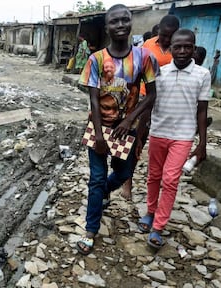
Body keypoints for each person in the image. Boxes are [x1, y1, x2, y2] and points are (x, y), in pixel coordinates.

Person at [76, 4, 159, 255]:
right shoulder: (96, 59)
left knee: (123, 173)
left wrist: (128, 120)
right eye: (115, 21)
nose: (120, 24)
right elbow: (93, 99)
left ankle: (104, 193)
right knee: (96, 179)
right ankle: (91, 230)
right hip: (99, 127)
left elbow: (151, 95)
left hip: (127, 130)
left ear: (131, 23)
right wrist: (99, 135)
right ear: (107, 27)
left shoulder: (144, 57)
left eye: (125, 20)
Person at [138, 29, 211, 249]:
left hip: (183, 136)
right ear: (170, 49)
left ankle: (158, 226)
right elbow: (149, 105)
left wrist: (202, 143)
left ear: (193, 48)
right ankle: (150, 212)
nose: (182, 51)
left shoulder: (202, 74)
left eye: (187, 47)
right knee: (154, 176)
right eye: (177, 47)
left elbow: (202, 111)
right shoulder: (159, 72)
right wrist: (140, 134)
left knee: (170, 181)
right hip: (159, 132)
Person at [121, 15, 180, 200]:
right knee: (136, 138)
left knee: (158, 142)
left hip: (167, 103)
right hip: (145, 99)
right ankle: (127, 180)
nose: (165, 40)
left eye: (170, 36)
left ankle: (159, 182)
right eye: (163, 35)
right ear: (158, 31)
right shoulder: (148, 45)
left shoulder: (179, 49)